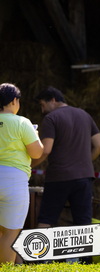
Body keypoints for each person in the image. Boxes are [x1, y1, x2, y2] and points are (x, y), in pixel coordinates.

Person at [31, 87, 100, 230]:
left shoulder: (51, 118)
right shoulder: (85, 115)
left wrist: (29, 166)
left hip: (59, 177)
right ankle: (84, 246)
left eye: (42, 105)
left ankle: (41, 245)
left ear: (53, 100)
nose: (42, 110)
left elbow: (46, 150)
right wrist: (85, 162)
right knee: (84, 224)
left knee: (46, 220)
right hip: (84, 177)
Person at [0, 83, 44, 264]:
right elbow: (37, 153)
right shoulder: (22, 122)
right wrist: (35, 134)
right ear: (14, 101)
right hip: (14, 180)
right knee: (10, 233)